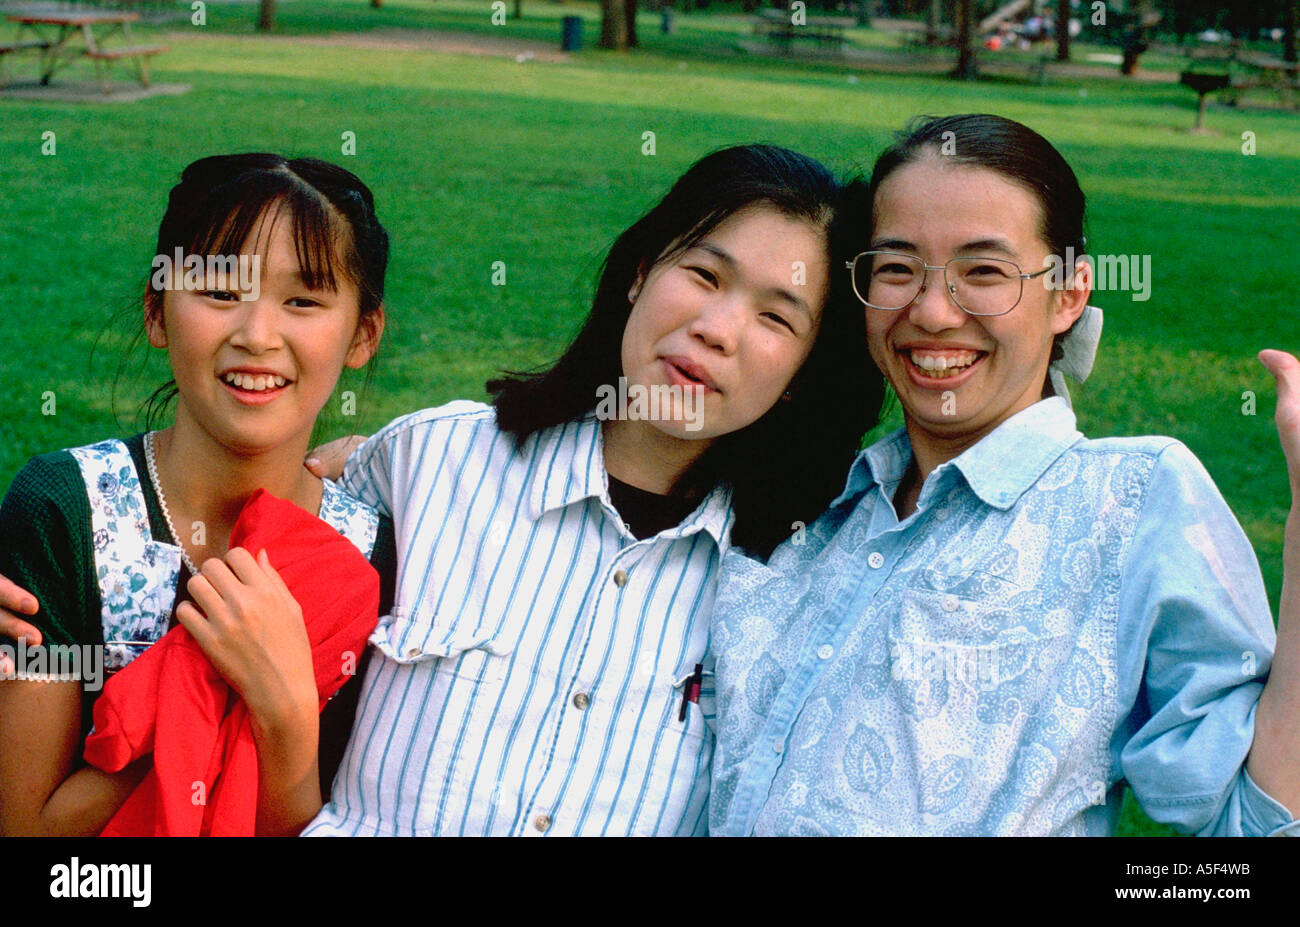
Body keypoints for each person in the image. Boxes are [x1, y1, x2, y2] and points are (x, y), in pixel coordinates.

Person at [0, 145, 883, 836]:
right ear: (639, 270)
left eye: (777, 315)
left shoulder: (789, 582)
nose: (718, 329)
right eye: (704, 273)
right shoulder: (429, 470)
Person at [707, 114, 1300, 836]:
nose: (930, 311)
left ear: (1070, 295)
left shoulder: (1132, 501)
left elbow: (1248, 824)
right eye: (897, 268)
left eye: (983, 271)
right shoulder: (822, 500)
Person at [0, 154, 396, 836]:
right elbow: (28, 827)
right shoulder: (67, 509)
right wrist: (196, 687)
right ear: (158, 314)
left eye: (303, 300)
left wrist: (285, 713)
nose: (257, 335)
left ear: (362, 333)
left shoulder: (371, 557)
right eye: (218, 292)